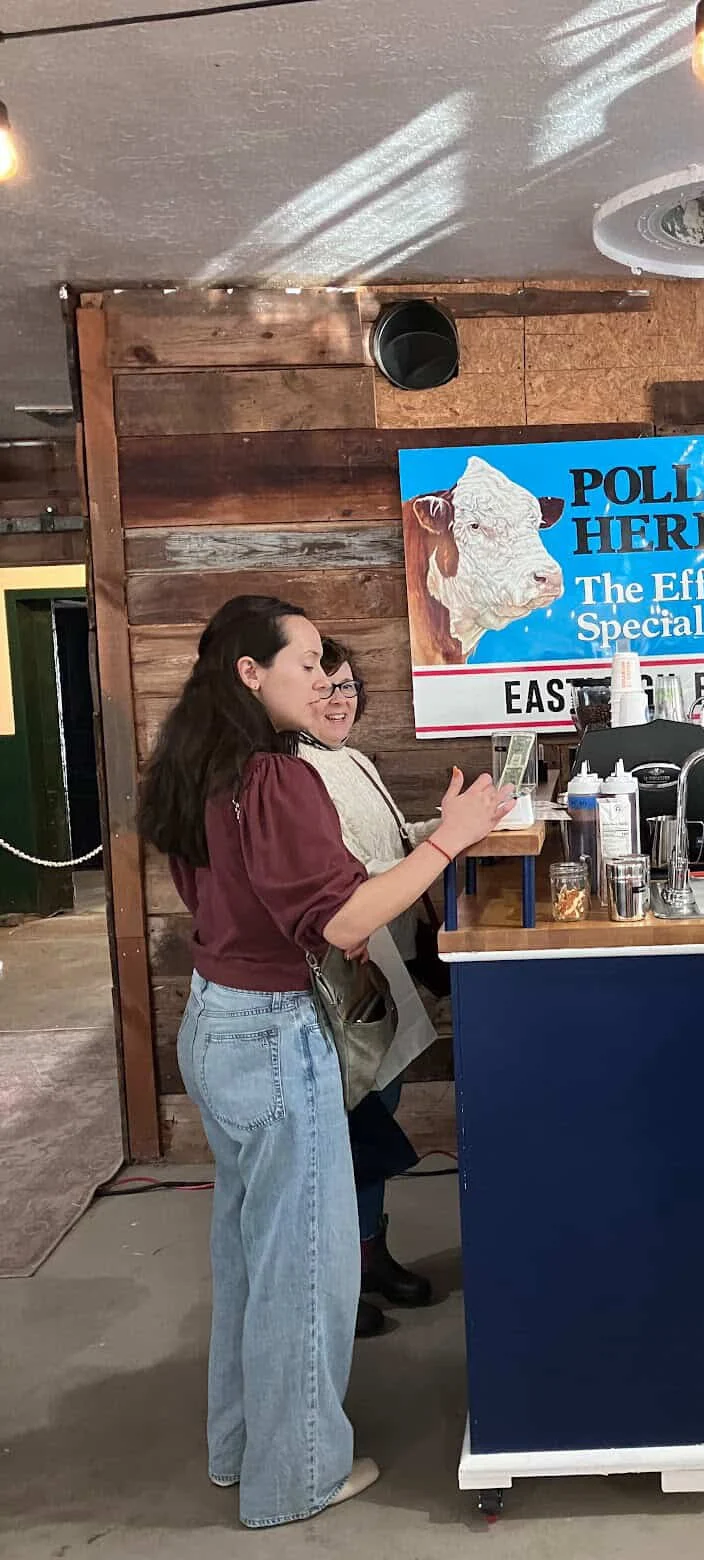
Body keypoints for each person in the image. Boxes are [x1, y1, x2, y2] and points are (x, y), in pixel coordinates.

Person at [138, 595, 511, 1529]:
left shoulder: (194, 765)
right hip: (270, 1035)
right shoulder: (276, 778)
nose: (322, 676)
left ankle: (239, 1449)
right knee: (305, 1270)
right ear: (250, 674)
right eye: (305, 661)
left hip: (215, 1021)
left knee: (251, 1258)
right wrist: (448, 838)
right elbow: (341, 920)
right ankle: (296, 1475)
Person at [297, 638, 444, 1339]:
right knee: (349, 1126)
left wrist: (444, 827)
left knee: (377, 1110)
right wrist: (439, 844)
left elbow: (387, 843)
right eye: (325, 687)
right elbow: (348, 869)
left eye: (349, 686)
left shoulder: (350, 759)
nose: (339, 699)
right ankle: (337, 1279)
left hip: (385, 955)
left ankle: (369, 1254)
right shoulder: (294, 770)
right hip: (346, 966)